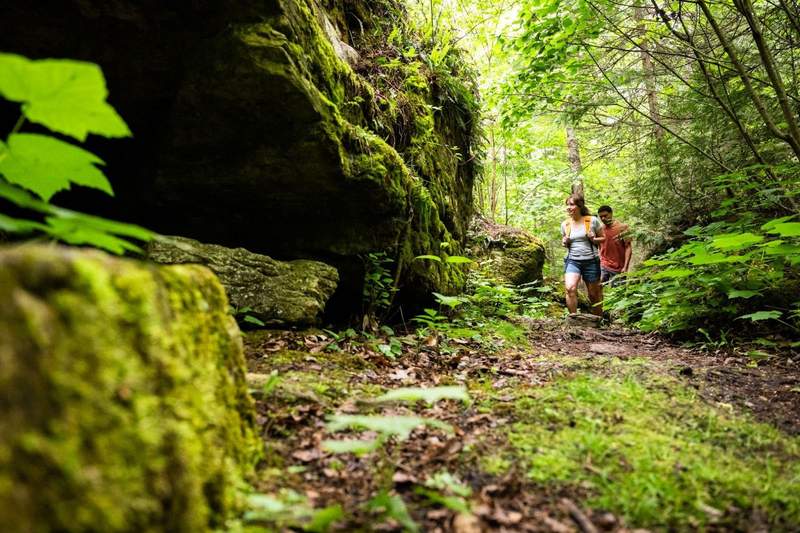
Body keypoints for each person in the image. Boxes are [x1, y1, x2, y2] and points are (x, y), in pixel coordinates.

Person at [561, 195, 605, 316]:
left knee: (594, 295)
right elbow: (564, 241)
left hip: (591, 261)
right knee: (570, 289)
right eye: (567, 205)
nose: (569, 208)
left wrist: (593, 238)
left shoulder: (591, 220)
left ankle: (598, 320)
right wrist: (565, 242)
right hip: (572, 260)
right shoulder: (566, 224)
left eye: (572, 204)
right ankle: (574, 320)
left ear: (580, 206)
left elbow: (603, 239)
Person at [597, 205, 632, 285]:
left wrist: (625, 267)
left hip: (619, 267)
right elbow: (599, 246)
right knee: (599, 287)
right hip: (603, 264)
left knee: (618, 292)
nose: (603, 219)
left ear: (611, 214)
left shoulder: (623, 227)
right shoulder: (600, 229)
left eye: (605, 216)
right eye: (601, 217)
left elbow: (628, 247)